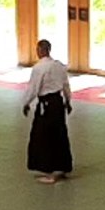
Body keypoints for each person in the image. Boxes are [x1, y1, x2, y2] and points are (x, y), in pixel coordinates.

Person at [21, 39, 72, 184]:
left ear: (41, 50)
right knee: (60, 134)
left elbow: (33, 88)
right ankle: (62, 167)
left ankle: (51, 171)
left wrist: (26, 103)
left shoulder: (39, 68)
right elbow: (66, 85)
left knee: (44, 136)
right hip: (58, 103)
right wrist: (68, 102)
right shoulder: (59, 66)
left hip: (46, 105)